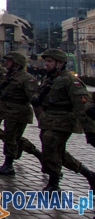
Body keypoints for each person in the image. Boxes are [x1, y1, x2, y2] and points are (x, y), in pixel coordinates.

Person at [34, 48, 95, 191]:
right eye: (46, 61)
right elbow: (38, 94)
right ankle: (89, 174)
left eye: (49, 61)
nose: (46, 64)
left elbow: (82, 106)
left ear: (60, 63)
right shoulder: (49, 78)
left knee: (51, 147)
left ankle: (54, 183)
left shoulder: (71, 80)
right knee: (57, 152)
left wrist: (90, 130)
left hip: (64, 121)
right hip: (49, 120)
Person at [0, 51, 37, 176]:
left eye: (9, 61)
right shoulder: (10, 75)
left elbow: (33, 97)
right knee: (9, 136)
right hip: (7, 111)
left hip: (18, 112)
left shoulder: (27, 78)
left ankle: (8, 164)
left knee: (11, 137)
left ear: (17, 63)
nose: (6, 62)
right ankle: (20, 151)